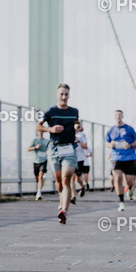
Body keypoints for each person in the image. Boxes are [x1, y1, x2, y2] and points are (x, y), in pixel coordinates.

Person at [36, 84, 80, 224]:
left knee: (67, 179)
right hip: (54, 149)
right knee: (59, 182)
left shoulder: (74, 111)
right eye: (61, 94)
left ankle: (64, 211)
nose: (64, 97)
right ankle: (61, 200)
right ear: (57, 95)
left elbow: (77, 123)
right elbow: (38, 126)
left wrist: (77, 127)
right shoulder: (51, 111)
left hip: (69, 148)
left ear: (69, 95)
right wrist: (51, 129)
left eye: (66, 94)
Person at [105, 110, 136, 210]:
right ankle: (121, 202)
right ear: (114, 117)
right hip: (116, 157)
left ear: (122, 116)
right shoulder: (111, 130)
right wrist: (110, 144)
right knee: (117, 178)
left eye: (120, 115)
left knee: (130, 181)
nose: (118, 116)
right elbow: (106, 142)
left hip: (129, 157)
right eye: (116, 115)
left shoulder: (129, 128)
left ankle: (130, 189)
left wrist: (130, 145)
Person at [27, 129, 50, 200]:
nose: (41, 133)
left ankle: (39, 193)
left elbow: (50, 148)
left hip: (44, 160)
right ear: (37, 132)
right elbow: (28, 149)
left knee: (40, 176)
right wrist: (35, 147)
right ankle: (39, 185)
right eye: (39, 131)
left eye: (42, 131)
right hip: (36, 160)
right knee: (37, 178)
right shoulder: (35, 140)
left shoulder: (47, 141)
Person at [74, 122, 89, 198]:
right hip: (70, 158)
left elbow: (85, 147)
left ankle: (82, 187)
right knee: (71, 177)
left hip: (79, 158)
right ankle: (72, 196)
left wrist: (78, 141)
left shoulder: (81, 135)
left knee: (77, 178)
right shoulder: (68, 134)